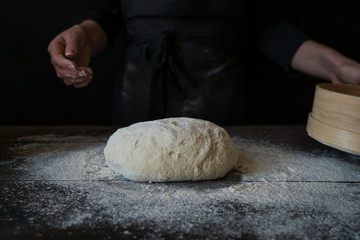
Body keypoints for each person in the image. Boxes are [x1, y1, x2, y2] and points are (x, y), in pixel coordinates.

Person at [48, 0, 360, 125]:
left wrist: (336, 66)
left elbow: (269, 27)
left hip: (220, 108)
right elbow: (105, 17)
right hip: (138, 105)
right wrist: (81, 36)